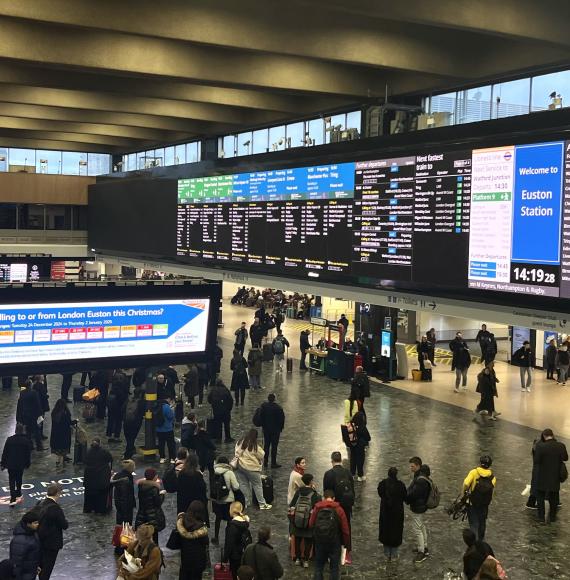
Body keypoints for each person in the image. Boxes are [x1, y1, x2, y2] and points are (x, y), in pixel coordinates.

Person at [309, 489, 350, 580]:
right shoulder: (339, 509)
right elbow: (345, 529)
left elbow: (311, 524)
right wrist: (346, 543)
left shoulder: (317, 508)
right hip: (334, 541)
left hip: (320, 541)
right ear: (334, 498)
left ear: (323, 498)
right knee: (334, 568)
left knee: (319, 566)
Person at [323, 451, 354, 561]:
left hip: (334, 507)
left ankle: (333, 552)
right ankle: (346, 553)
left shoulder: (328, 474)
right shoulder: (348, 473)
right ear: (341, 460)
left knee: (333, 528)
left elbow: (326, 492)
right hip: (346, 506)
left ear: (332, 460)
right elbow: (352, 491)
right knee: (346, 527)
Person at [534, 428, 568, 523]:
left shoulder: (540, 446)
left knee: (540, 496)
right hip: (555, 476)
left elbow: (536, 461)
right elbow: (565, 458)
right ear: (553, 435)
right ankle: (552, 517)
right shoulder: (561, 446)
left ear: (544, 436)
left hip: (542, 476)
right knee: (554, 497)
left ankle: (541, 517)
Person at [233, 429, 272, 509]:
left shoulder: (239, 442)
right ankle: (262, 504)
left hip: (239, 466)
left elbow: (236, 452)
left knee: (243, 484)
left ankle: (246, 502)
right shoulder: (254, 446)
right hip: (251, 468)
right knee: (257, 485)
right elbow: (262, 455)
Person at [37, 483, 68, 580]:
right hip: (51, 543)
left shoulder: (39, 503)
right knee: (47, 568)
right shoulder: (55, 508)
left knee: (41, 566)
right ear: (58, 493)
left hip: (39, 540)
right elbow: (64, 525)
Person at [289, 473, 321, 567]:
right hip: (309, 521)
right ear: (311, 481)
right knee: (308, 541)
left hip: (297, 521)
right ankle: (306, 560)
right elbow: (317, 507)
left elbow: (292, 505)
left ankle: (298, 559)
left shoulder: (298, 492)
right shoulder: (314, 494)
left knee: (298, 540)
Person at [463, 455, 496, 541]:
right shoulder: (492, 477)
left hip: (472, 503)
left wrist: (464, 493)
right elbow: (492, 491)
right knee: (482, 523)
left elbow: (466, 483)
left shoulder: (474, 472)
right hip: (484, 505)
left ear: (480, 463)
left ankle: (475, 544)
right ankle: (482, 541)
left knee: (474, 523)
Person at [378, 467, 407, 562]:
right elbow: (404, 496)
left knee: (385, 530)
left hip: (385, 512)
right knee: (396, 531)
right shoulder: (401, 485)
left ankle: (387, 554)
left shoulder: (382, 484)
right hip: (397, 512)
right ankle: (394, 554)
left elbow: (380, 493)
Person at [211, 455, 240, 546]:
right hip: (228, 500)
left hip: (216, 500)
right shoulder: (229, 472)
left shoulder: (214, 471)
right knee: (229, 519)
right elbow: (236, 487)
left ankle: (216, 537)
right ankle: (228, 537)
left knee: (218, 519)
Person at [177, 500, 209, 580]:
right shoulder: (201, 528)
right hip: (198, 560)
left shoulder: (182, 522)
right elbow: (205, 542)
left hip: (185, 558)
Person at [1, 423, 32, 506]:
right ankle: (18, 491)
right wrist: (28, 463)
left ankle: (12, 497)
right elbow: (27, 454)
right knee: (19, 478)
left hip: (10, 464)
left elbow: (5, 452)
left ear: (15, 430)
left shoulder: (9, 440)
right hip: (20, 464)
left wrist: (3, 463)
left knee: (11, 479)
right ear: (22, 431)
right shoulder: (25, 441)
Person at [406, 462, 431, 563]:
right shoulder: (424, 478)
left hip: (418, 507)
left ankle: (422, 552)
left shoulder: (421, 481)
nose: (411, 468)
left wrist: (406, 498)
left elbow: (414, 494)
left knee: (417, 529)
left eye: (412, 466)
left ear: (418, 467)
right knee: (421, 526)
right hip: (422, 506)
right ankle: (424, 547)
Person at [135, 468, 166, 545]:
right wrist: (162, 495)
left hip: (142, 515)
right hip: (153, 517)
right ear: (154, 477)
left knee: (144, 536)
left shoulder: (141, 486)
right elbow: (157, 503)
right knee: (154, 537)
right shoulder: (154, 488)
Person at [9, 510, 42, 580]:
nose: (38, 524)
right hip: (23, 576)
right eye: (35, 523)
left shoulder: (33, 533)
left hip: (30, 572)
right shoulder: (20, 540)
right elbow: (16, 563)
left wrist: (35, 566)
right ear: (28, 524)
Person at [83, 438, 112, 514]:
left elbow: (85, 460)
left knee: (89, 495)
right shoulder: (104, 452)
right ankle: (100, 509)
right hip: (101, 478)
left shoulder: (88, 452)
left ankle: (89, 508)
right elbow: (110, 458)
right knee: (101, 496)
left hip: (89, 478)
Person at [223, 501, 252, 580]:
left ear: (231, 510)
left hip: (235, 557)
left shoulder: (231, 526)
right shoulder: (245, 524)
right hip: (244, 554)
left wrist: (225, 559)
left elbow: (229, 544)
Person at [16, 380, 43, 451]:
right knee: (36, 431)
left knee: (28, 431)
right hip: (33, 415)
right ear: (30, 385)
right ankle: (39, 446)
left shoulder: (22, 393)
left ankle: (30, 446)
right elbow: (37, 404)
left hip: (25, 415)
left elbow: (20, 404)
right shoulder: (34, 393)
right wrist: (40, 414)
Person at [259, 393, 285, 469]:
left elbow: (261, 417)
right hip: (275, 430)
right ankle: (273, 463)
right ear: (274, 399)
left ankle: (265, 462)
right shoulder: (278, 408)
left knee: (266, 446)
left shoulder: (264, 406)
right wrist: (280, 428)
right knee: (274, 446)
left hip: (266, 429)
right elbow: (281, 420)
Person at [112, 459, 136, 528]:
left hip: (120, 504)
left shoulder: (120, 475)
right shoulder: (126, 479)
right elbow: (124, 496)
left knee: (120, 523)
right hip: (125, 506)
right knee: (126, 526)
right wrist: (125, 511)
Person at [49, 399, 74, 468]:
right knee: (63, 446)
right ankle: (60, 460)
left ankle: (61, 458)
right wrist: (75, 421)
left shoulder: (54, 412)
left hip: (56, 433)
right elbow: (68, 422)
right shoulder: (65, 414)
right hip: (64, 433)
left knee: (58, 447)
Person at [208, 379, 234, 443]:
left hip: (217, 410)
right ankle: (228, 437)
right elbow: (230, 400)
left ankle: (218, 438)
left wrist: (213, 404)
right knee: (226, 424)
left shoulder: (213, 390)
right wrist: (229, 408)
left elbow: (209, 399)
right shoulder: (226, 390)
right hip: (226, 411)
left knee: (218, 424)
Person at [107, 370, 129, 443]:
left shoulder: (113, 388)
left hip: (111, 405)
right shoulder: (122, 388)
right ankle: (116, 436)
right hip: (119, 406)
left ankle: (110, 435)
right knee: (118, 421)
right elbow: (124, 396)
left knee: (111, 420)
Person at [123, 388, 145, 460]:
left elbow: (122, 409)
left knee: (128, 437)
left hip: (126, 422)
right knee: (132, 438)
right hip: (135, 422)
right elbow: (143, 411)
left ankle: (130, 450)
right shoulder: (141, 402)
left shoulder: (128, 400)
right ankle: (128, 454)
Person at [348, 411, 370, 482]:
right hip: (360, 446)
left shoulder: (351, 425)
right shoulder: (362, 427)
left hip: (352, 445)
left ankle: (352, 474)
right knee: (360, 460)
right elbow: (368, 437)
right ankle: (360, 476)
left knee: (353, 459)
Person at [155, 396, 176, 464]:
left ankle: (162, 457)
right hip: (168, 429)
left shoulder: (156, 406)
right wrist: (172, 410)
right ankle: (172, 458)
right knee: (171, 444)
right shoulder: (166, 407)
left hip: (159, 429)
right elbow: (171, 417)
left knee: (161, 444)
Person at [32, 375, 49, 440]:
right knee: (40, 421)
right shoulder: (40, 386)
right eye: (42, 376)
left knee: (37, 420)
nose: (43, 377)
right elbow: (43, 395)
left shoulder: (35, 385)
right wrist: (47, 396)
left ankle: (36, 434)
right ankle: (39, 435)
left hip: (37, 406)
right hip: (41, 406)